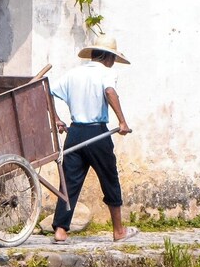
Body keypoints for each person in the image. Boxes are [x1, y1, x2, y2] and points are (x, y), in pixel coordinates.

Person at [50, 35, 138, 244]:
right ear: (108, 57)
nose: (113, 63)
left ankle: (60, 230)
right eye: (113, 58)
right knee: (110, 179)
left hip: (75, 134)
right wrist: (122, 122)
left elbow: (49, 92)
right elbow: (109, 91)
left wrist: (56, 119)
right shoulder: (107, 73)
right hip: (97, 133)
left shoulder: (73, 74)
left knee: (69, 183)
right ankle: (118, 230)